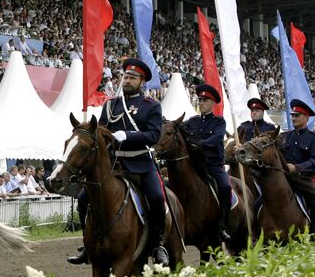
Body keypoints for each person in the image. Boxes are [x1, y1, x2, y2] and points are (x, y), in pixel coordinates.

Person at [67, 58, 169, 266]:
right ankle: (88, 242)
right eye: (126, 77)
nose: (128, 81)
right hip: (114, 165)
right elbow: (101, 131)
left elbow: (153, 136)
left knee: (157, 198)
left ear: (142, 82)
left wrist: (128, 135)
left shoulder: (151, 106)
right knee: (84, 197)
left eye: (133, 78)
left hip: (140, 162)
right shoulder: (111, 105)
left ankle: (158, 244)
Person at [184, 84, 233, 242]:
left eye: (205, 100)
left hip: (213, 166)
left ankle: (223, 225)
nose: (201, 103)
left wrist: (200, 144)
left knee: (225, 187)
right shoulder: (192, 121)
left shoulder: (219, 122)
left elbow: (217, 138)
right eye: (199, 100)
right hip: (194, 166)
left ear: (213, 103)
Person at [280, 99, 315, 233]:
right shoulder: (285, 136)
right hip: (284, 177)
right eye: (292, 115)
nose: (293, 118)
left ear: (306, 117)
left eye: (297, 115)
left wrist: (297, 167)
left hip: (303, 179)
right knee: (259, 203)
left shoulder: (314, 138)